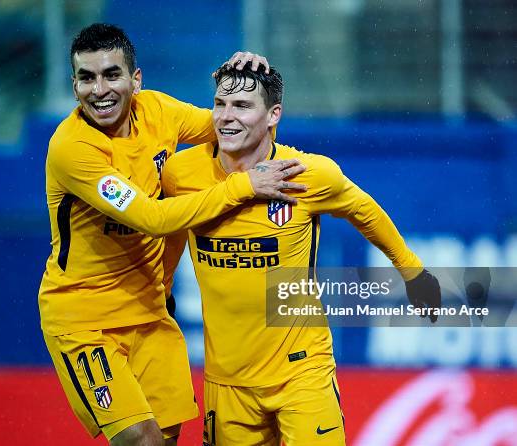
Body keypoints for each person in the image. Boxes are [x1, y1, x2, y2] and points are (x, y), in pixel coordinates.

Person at [38, 24, 306, 446]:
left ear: (136, 80)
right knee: (141, 440)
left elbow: (236, 127)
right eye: (86, 77)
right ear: (74, 85)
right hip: (84, 320)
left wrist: (252, 86)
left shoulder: (157, 111)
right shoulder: (73, 149)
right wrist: (244, 186)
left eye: (111, 74)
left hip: (150, 310)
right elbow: (152, 217)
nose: (99, 89)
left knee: (164, 439)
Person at [161, 62, 441, 445]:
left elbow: (364, 210)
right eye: (220, 103)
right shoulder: (180, 173)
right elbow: (171, 229)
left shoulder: (306, 174)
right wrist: (161, 287)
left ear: (274, 114)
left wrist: (413, 273)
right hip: (227, 382)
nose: (225, 117)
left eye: (242, 106)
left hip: (301, 371)